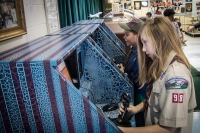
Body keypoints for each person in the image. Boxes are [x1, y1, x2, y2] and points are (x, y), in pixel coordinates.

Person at [118, 16, 196, 133]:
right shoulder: (163, 65)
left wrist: (121, 130)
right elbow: (156, 98)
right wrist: (135, 109)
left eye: (145, 42)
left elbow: (168, 128)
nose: (143, 49)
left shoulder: (176, 77)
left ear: (162, 39)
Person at [117, 18, 148, 127]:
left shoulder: (141, 54)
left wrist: (123, 75)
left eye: (127, 34)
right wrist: (124, 70)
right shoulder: (134, 49)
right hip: (136, 93)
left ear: (137, 35)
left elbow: (139, 78)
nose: (124, 37)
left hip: (141, 95)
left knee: (141, 123)